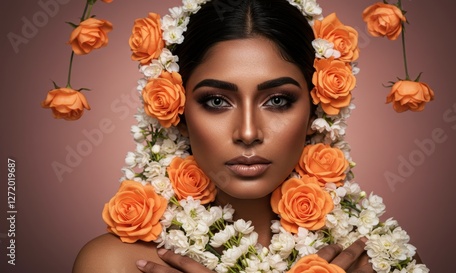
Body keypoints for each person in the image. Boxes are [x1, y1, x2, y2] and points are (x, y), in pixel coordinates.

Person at [73, 0, 424, 272]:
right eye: (216, 101)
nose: (248, 132)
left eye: (277, 100)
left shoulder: (374, 259)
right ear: (177, 112)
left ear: (316, 110)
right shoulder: (116, 264)